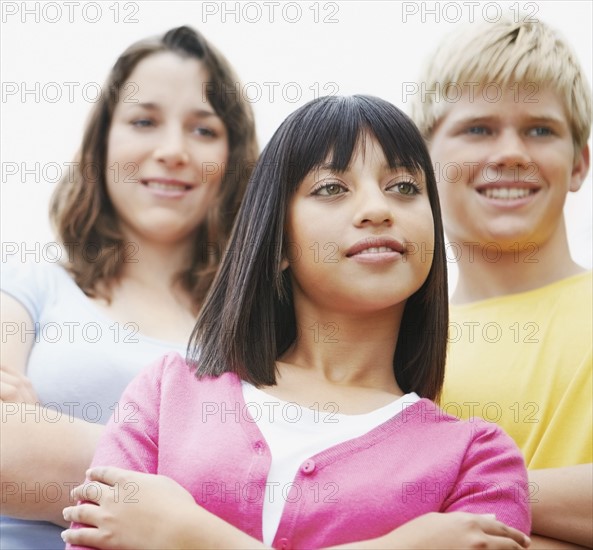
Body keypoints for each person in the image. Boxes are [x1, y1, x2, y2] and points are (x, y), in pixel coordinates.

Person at [62, 95, 531, 550]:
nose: (378, 208)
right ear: (279, 242)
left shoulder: (479, 462)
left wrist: (185, 536)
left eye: (405, 187)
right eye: (331, 188)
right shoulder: (166, 395)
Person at [0, 26, 257, 549]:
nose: (172, 150)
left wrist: (48, 444)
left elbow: (288, 496)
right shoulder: (27, 287)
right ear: (103, 143)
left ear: (233, 160)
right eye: (144, 121)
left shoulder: (261, 329)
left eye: (203, 130)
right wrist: (198, 492)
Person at [410, 16, 592, 549]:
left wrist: (455, 492)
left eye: (540, 129)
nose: (511, 152)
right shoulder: (386, 342)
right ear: (424, 162)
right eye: (479, 128)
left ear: (579, 163)